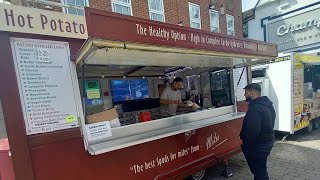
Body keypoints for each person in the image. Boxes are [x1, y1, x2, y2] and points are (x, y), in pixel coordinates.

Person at [240, 83, 276, 180]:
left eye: (246, 93)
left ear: (252, 93)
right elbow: (272, 120)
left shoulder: (255, 108)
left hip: (258, 145)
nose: (244, 95)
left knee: (260, 171)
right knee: (259, 170)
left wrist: (246, 143)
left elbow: (252, 131)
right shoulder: (268, 104)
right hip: (267, 141)